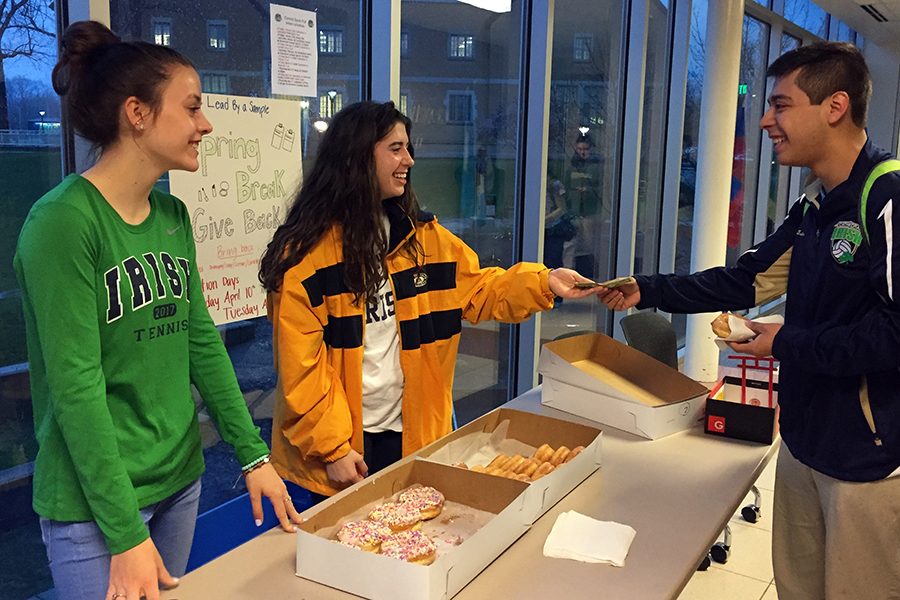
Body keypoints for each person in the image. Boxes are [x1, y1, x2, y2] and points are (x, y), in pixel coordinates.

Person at [599, 42, 900, 599]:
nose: (765, 120)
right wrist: (647, 288)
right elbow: (746, 280)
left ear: (834, 106)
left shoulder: (886, 197)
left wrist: (791, 342)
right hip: (802, 445)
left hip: (868, 462)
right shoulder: (814, 206)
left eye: (781, 105)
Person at [13, 21, 302, 600]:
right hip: (95, 507)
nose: (205, 124)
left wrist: (252, 456)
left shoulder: (172, 216)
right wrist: (123, 534)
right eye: (192, 108)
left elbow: (201, 345)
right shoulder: (64, 223)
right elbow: (75, 385)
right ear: (137, 114)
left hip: (178, 483)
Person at [258, 101, 601, 499]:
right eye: (395, 148)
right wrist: (333, 448)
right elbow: (302, 371)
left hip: (411, 437)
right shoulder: (305, 257)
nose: (409, 160)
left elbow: (479, 290)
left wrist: (544, 283)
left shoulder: (424, 240)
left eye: (408, 148)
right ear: (355, 157)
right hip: (340, 450)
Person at [566, 133, 604, 278]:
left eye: (585, 149)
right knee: (572, 246)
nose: (582, 152)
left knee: (589, 245)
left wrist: (589, 190)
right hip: (575, 212)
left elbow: (602, 188)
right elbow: (567, 187)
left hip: (590, 212)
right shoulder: (572, 166)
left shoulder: (596, 167)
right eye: (580, 149)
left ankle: (590, 274)